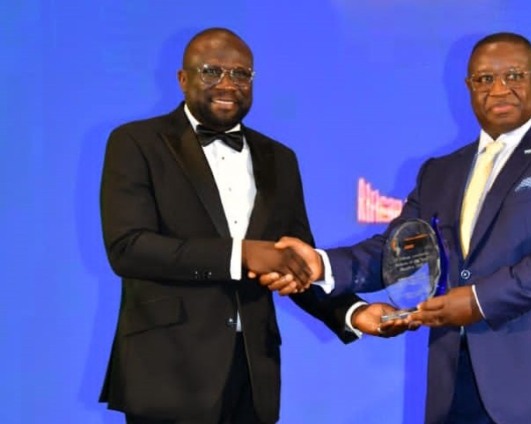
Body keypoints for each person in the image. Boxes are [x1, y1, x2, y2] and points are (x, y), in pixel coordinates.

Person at [266, 32, 531, 424]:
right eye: (485, 79)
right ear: (469, 87)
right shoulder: (439, 172)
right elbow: (399, 253)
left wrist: (478, 300)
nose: (499, 89)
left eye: (513, 75)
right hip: (456, 385)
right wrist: (320, 265)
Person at [98, 27, 402, 424]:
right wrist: (240, 255)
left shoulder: (280, 158)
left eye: (241, 74)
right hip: (167, 371)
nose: (228, 84)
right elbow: (128, 248)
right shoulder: (136, 142)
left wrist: (352, 311)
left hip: (253, 373)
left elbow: (295, 261)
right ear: (183, 79)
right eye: (212, 71)